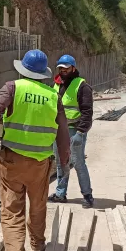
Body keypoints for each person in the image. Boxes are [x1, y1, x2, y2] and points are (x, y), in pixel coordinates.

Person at [0, 49, 71, 251]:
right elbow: (63, 134)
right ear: (44, 73)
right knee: (38, 204)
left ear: (23, 70)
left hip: (12, 159)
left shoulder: (13, 87)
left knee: (12, 209)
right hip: (41, 163)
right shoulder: (54, 96)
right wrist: (64, 161)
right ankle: (38, 244)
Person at [47, 54, 95, 208]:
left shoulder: (82, 86)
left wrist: (81, 133)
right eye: (61, 68)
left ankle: (87, 195)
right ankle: (60, 194)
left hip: (75, 130)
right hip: (59, 130)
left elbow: (87, 112)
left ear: (73, 68)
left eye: (66, 68)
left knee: (78, 162)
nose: (63, 71)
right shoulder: (56, 85)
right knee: (61, 163)